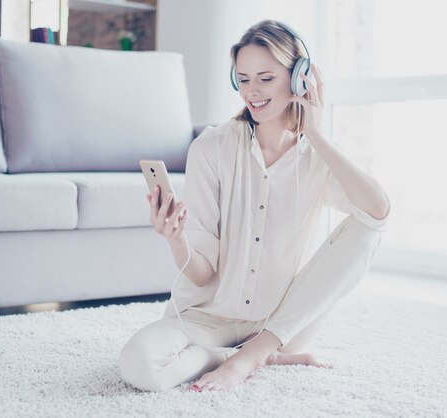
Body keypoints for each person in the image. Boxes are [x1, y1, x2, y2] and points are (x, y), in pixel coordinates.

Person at [119, 19, 390, 392]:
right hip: (204, 319)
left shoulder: (314, 157)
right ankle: (242, 358)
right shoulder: (211, 148)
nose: (252, 92)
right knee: (139, 364)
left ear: (300, 80)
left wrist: (317, 135)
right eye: (243, 79)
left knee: (368, 228)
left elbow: (379, 210)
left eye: (266, 78)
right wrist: (175, 238)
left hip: (277, 325)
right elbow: (200, 275)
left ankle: (253, 354)